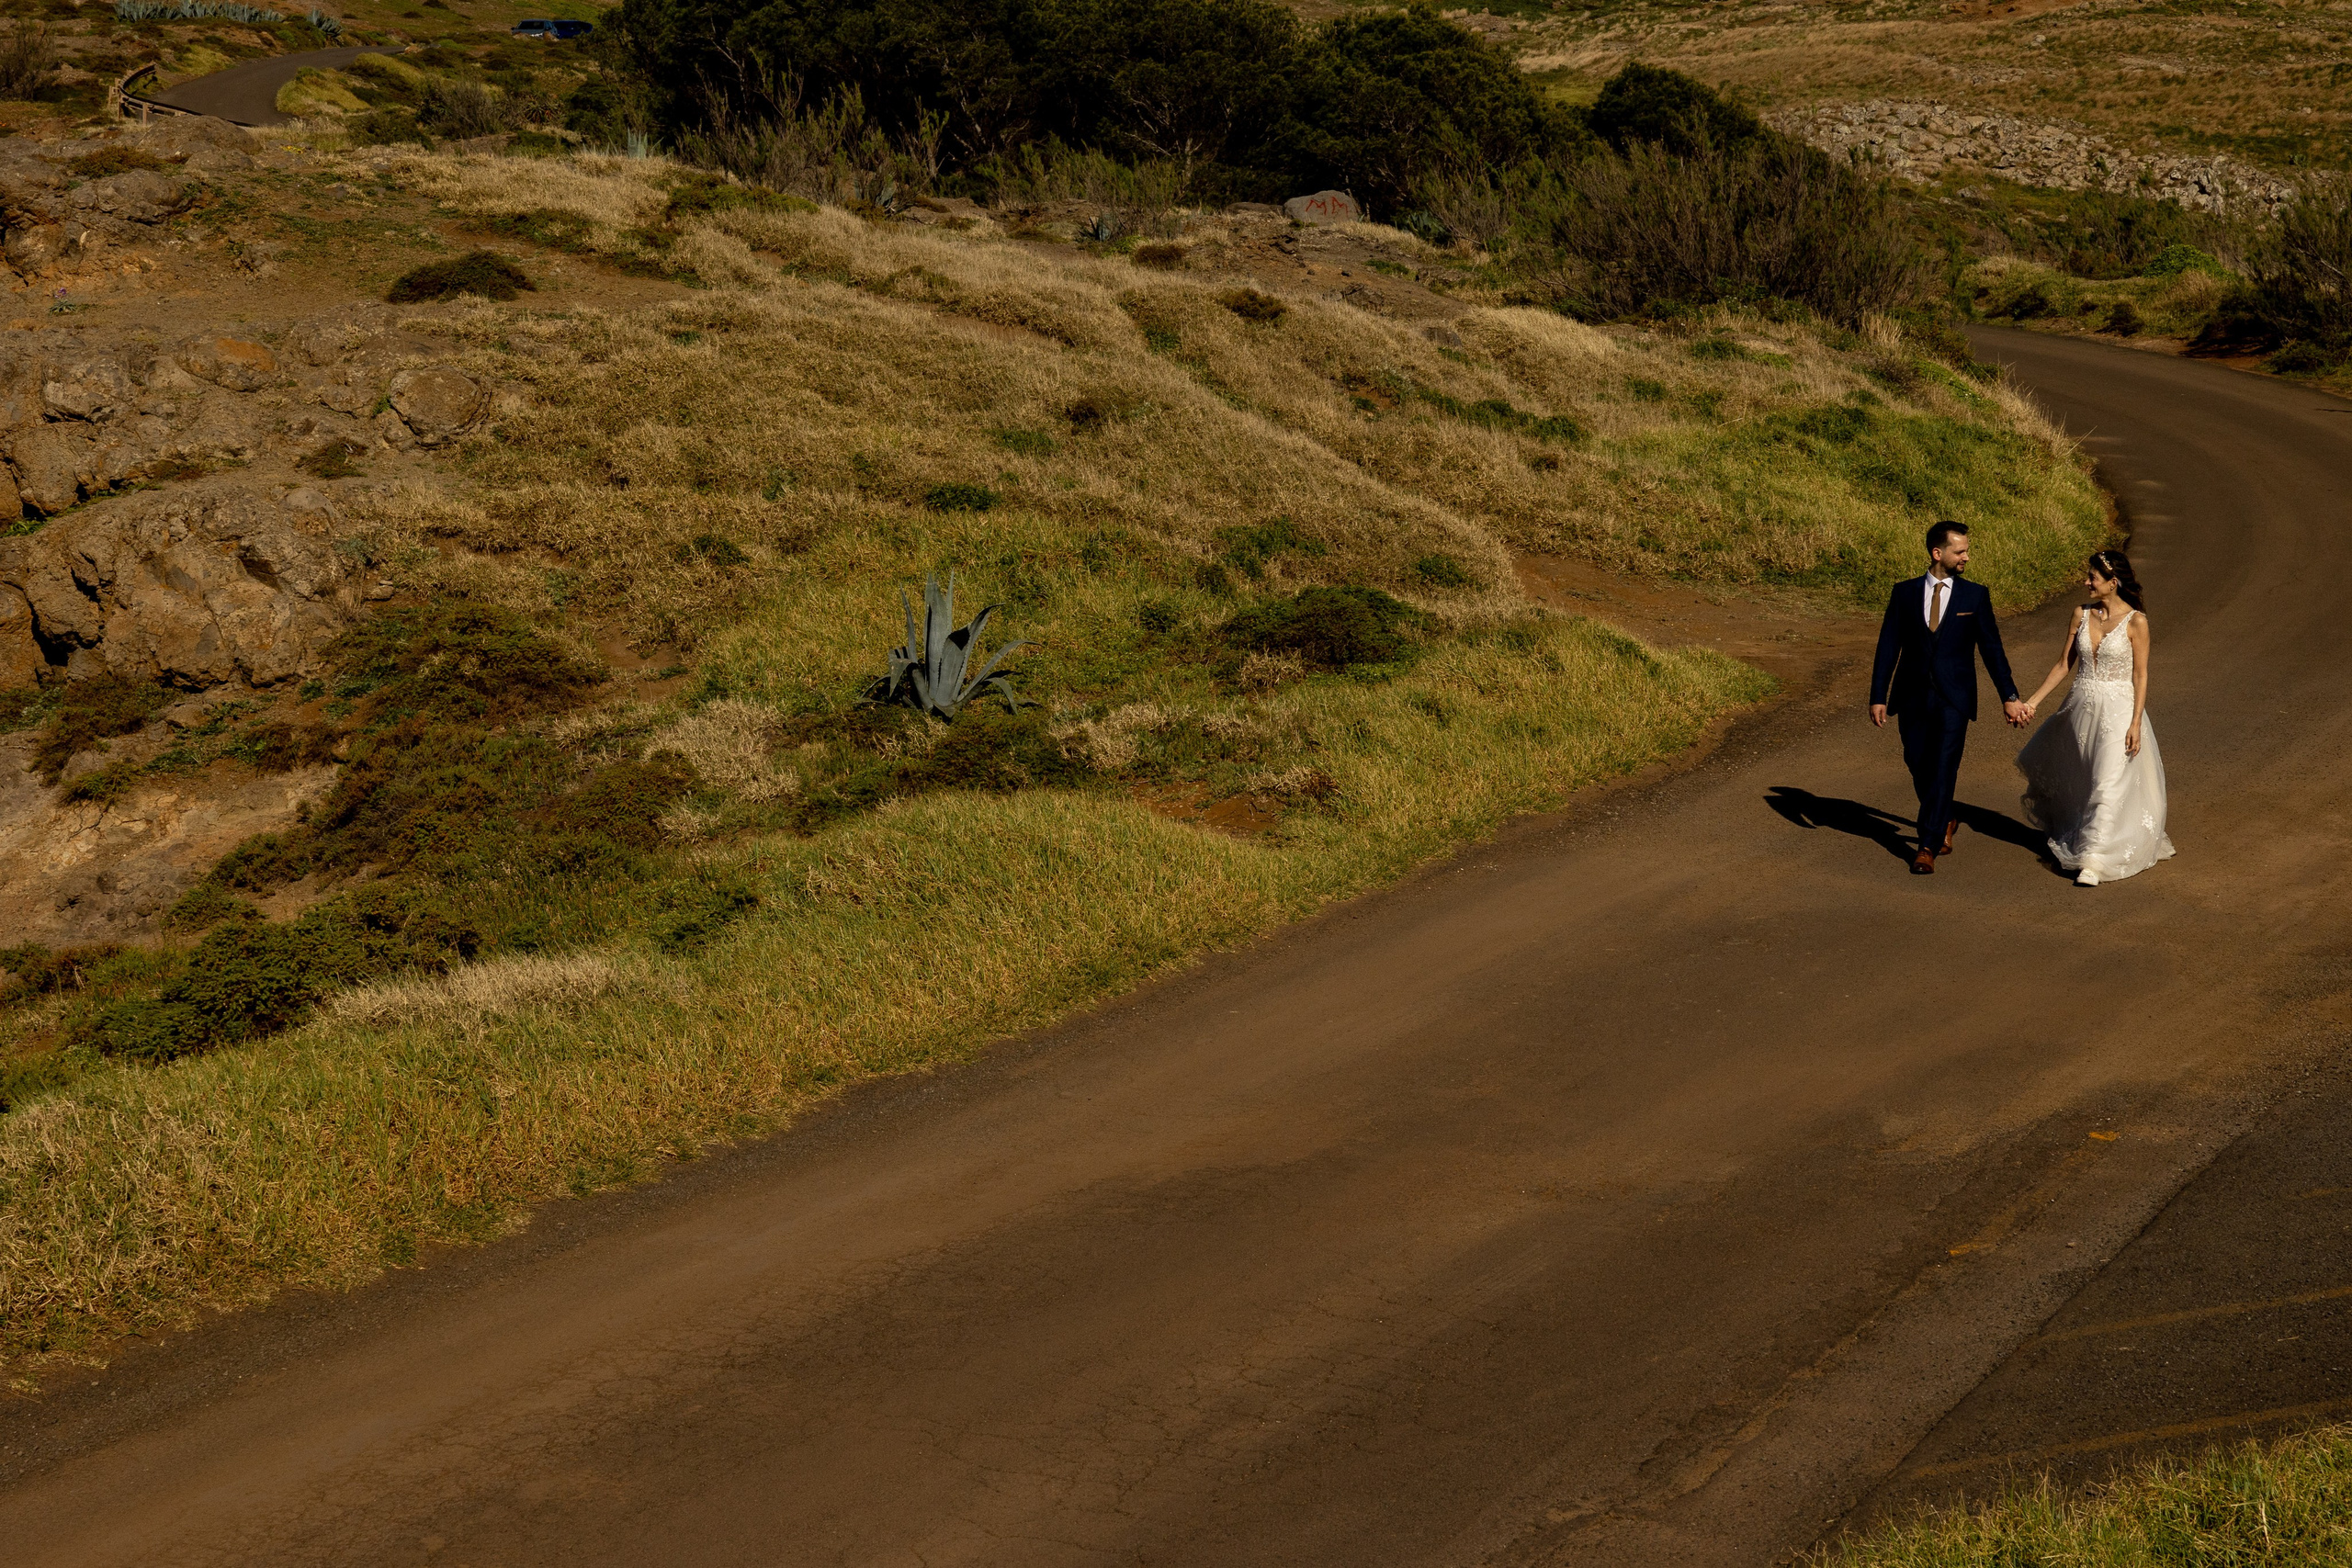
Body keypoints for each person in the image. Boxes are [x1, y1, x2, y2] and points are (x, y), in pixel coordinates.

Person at [1869, 521, 2030, 875]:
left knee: (1943, 766)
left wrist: (2009, 696)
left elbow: (1992, 650)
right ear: (1937, 553)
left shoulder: (1975, 596)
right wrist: (1878, 695)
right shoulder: (1904, 593)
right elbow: (1887, 647)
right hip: (1911, 695)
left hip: (1954, 699)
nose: (1966, 557)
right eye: (1960, 551)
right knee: (1917, 761)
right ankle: (1945, 815)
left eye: (1967, 551)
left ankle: (1926, 844)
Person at [2013, 549, 2174, 886]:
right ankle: (2084, 836)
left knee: (2108, 780)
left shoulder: (2137, 622)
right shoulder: (2080, 614)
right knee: (2083, 779)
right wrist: (2033, 702)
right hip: (2081, 708)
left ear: (2112, 583)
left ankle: (2094, 860)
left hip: (2119, 711)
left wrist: (2135, 723)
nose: (2086, 582)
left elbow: (2141, 676)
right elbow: (2063, 666)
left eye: (2093, 578)